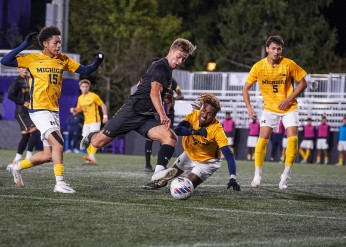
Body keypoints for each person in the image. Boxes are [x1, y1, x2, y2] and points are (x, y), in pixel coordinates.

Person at [1, 26, 104, 193]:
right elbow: (5, 61)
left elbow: (86, 70)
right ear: (45, 43)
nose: (58, 46)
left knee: (48, 155)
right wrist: (24, 44)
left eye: (60, 43)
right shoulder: (32, 58)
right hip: (39, 110)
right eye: (55, 43)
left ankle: (17, 167)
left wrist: (98, 59)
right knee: (59, 144)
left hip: (53, 110)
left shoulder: (62, 59)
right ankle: (60, 183)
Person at [79, 38, 196, 183]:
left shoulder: (168, 71)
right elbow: (154, 93)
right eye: (178, 56)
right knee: (98, 143)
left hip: (146, 117)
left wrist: (166, 98)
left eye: (183, 59)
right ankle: (91, 136)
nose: (180, 61)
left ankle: (158, 173)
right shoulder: (161, 67)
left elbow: (154, 92)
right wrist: (163, 114)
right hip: (131, 112)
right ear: (171, 50)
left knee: (170, 137)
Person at [242, 35, 307, 189]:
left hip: (289, 107)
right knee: (262, 140)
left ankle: (285, 176)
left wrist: (288, 99)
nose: (276, 52)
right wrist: (249, 108)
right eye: (273, 48)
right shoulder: (258, 66)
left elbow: (303, 83)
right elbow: (245, 88)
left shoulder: (289, 64)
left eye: (279, 49)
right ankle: (257, 175)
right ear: (267, 49)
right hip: (269, 108)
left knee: (293, 140)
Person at [143, 93, 240, 191]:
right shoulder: (194, 115)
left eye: (209, 114)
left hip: (207, 161)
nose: (204, 115)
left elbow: (228, 154)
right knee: (165, 178)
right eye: (204, 110)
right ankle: (160, 183)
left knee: (183, 187)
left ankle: (183, 186)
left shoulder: (217, 130)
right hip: (190, 152)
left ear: (214, 116)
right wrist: (194, 131)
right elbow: (177, 130)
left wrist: (233, 177)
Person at [144, 63, 184, 172]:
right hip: (155, 112)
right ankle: (147, 165)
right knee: (149, 137)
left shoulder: (172, 81)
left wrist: (172, 98)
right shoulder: (148, 80)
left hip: (169, 114)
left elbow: (181, 95)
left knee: (166, 137)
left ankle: (160, 164)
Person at [70, 79, 108, 164]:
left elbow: (103, 105)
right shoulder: (80, 98)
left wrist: (105, 117)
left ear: (89, 87)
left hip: (95, 120)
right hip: (86, 122)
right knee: (85, 139)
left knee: (93, 138)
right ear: (80, 87)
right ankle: (91, 157)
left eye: (86, 86)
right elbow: (79, 109)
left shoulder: (93, 96)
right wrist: (74, 110)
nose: (84, 88)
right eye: (83, 86)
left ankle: (92, 156)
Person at [7, 67, 41, 164]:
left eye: (27, 68)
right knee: (35, 132)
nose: (25, 70)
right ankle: (29, 156)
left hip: (29, 111)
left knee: (25, 136)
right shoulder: (16, 81)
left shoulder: (29, 80)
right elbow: (10, 96)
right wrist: (23, 102)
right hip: (21, 112)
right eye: (23, 68)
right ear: (19, 69)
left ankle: (17, 158)